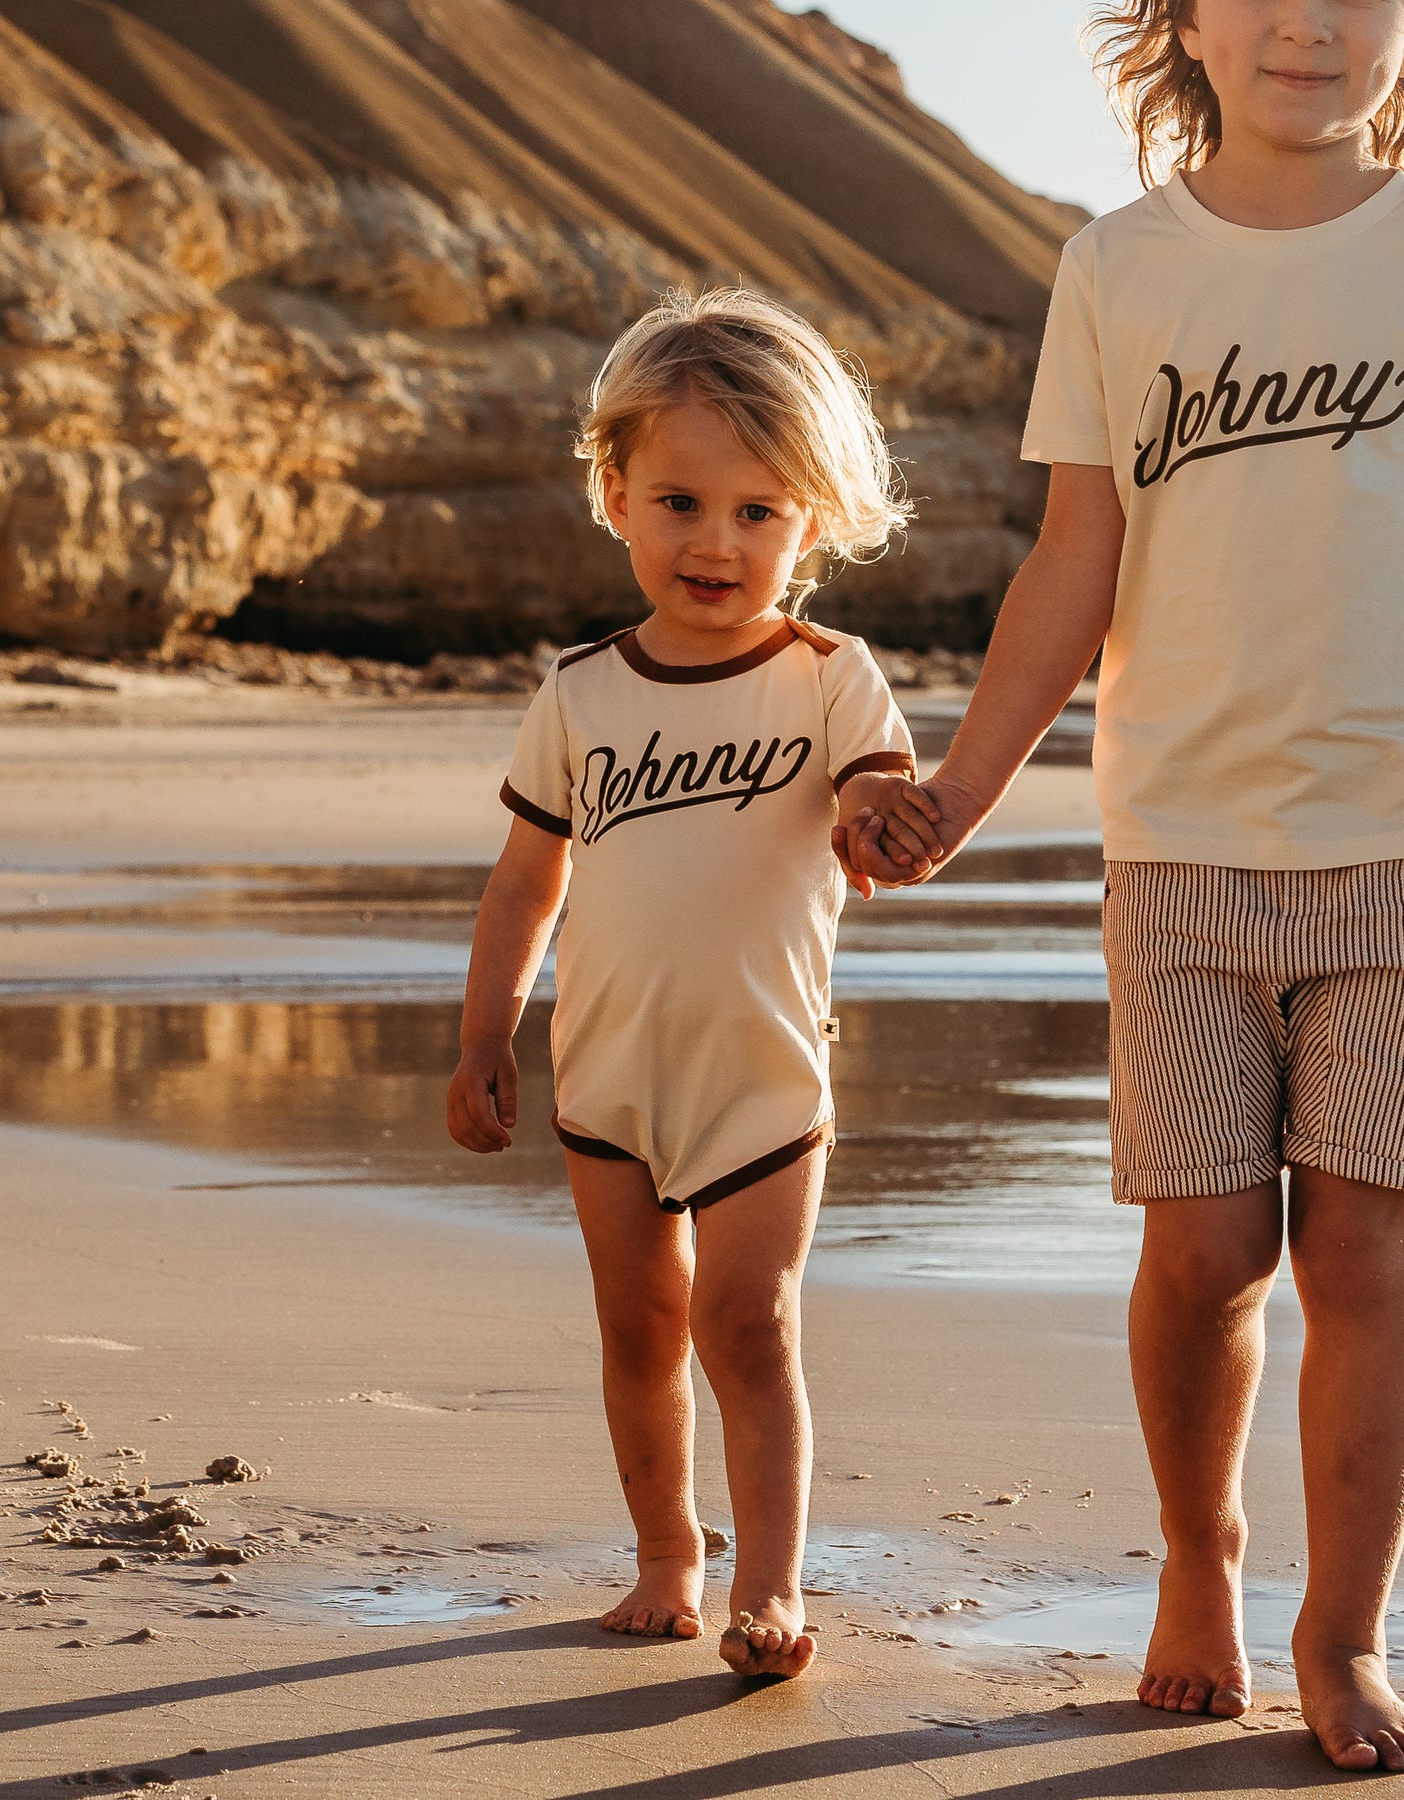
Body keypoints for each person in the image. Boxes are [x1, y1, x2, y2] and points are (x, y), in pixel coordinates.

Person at [838, 0, 1404, 1773]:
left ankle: (1344, 1634)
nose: (1305, 22)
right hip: (1175, 848)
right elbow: (1074, 554)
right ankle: (1200, 1556)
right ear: (1182, 20)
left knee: (1366, 1246)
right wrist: (961, 788)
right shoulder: (1119, 267)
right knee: (1205, 1251)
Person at [448, 289, 920, 1678]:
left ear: (810, 522)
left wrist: (881, 826)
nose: (717, 543)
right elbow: (525, 884)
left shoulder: (831, 678)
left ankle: (771, 1586)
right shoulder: (581, 692)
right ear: (616, 496)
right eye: (680, 503)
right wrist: (485, 1037)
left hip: (764, 1073)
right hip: (608, 1074)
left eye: (758, 512)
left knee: (748, 1323)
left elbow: (879, 793)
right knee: (640, 1326)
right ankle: (667, 1555)